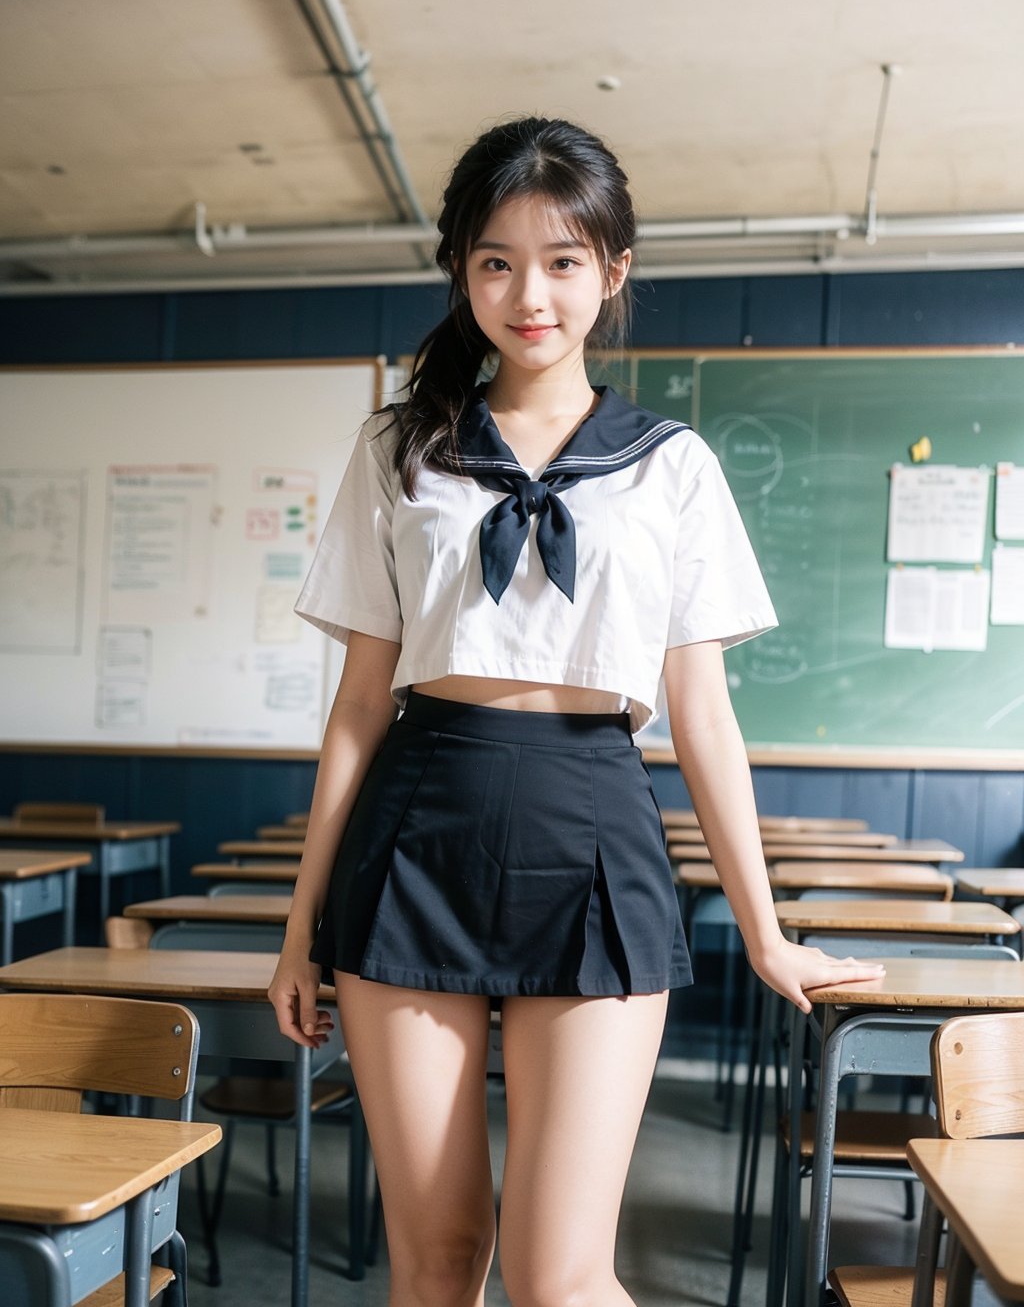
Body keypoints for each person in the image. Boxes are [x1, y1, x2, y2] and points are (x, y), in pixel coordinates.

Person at [268, 116, 884, 1307]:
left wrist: (762, 932)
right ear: (460, 270)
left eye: (560, 261)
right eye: (494, 260)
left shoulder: (671, 465)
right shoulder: (400, 450)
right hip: (414, 826)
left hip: (593, 828)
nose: (527, 292)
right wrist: (300, 931)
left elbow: (702, 713)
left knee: (557, 1278)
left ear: (613, 272)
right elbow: (353, 706)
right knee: (438, 1264)